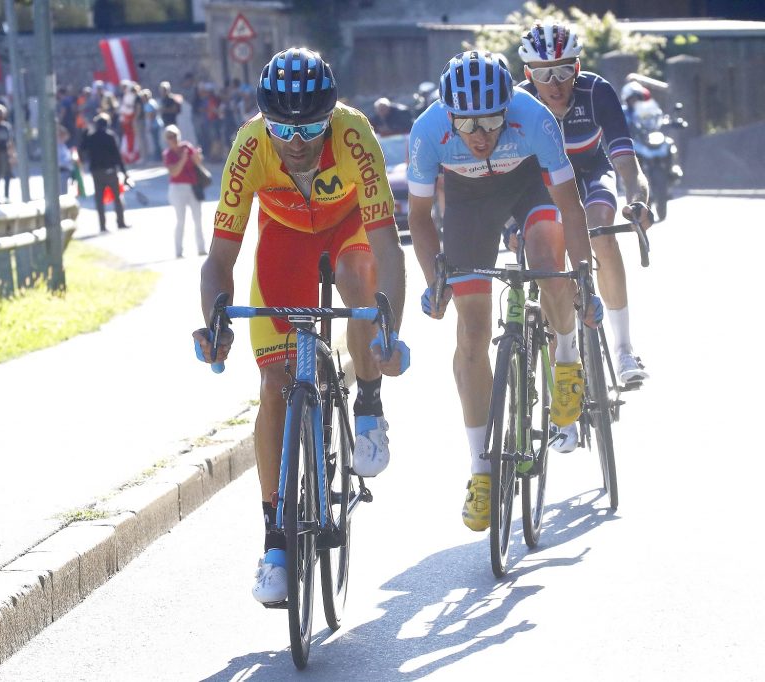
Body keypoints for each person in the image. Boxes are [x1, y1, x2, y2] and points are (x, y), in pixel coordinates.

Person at [191, 47, 410, 605]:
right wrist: (214, 322)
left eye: (313, 126)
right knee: (273, 384)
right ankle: (276, 543)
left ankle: (367, 406)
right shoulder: (249, 145)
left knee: (356, 270)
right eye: (283, 127)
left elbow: (387, 240)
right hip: (284, 242)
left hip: (348, 231)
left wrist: (390, 329)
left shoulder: (354, 134)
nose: (297, 139)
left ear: (331, 115)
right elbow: (219, 257)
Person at [407, 50, 600, 532]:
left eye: (493, 120)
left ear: (509, 107)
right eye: (468, 124)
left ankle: (567, 357)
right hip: (470, 205)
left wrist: (584, 275)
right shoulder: (427, 131)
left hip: (529, 188)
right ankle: (481, 470)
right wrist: (436, 280)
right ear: (448, 115)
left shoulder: (533, 118)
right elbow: (418, 218)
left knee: (545, 257)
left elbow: (570, 207)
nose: (481, 134)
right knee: (470, 335)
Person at [517, 21, 655, 452]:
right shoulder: (518, 105)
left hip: (594, 175)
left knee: (603, 234)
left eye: (563, 71)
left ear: (577, 67)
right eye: (543, 74)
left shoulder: (597, 92)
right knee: (550, 265)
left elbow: (629, 168)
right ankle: (567, 366)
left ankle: (624, 348)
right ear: (528, 76)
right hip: (543, 187)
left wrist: (637, 201)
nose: (555, 84)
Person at [79, 112, 130, 232]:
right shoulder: (110, 136)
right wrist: (124, 172)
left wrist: (85, 132)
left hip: (96, 171)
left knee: (99, 199)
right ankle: (120, 222)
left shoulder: (91, 137)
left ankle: (102, 225)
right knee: (117, 198)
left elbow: (82, 148)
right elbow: (117, 155)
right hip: (110, 170)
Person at [161, 124, 206, 258]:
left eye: (174, 136)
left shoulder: (186, 146)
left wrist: (197, 155)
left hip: (192, 186)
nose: (173, 139)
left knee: (198, 218)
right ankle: (179, 251)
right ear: (167, 139)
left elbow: (198, 163)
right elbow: (174, 172)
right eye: (170, 137)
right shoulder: (168, 154)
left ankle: (201, 248)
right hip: (177, 188)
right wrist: (183, 159)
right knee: (181, 220)